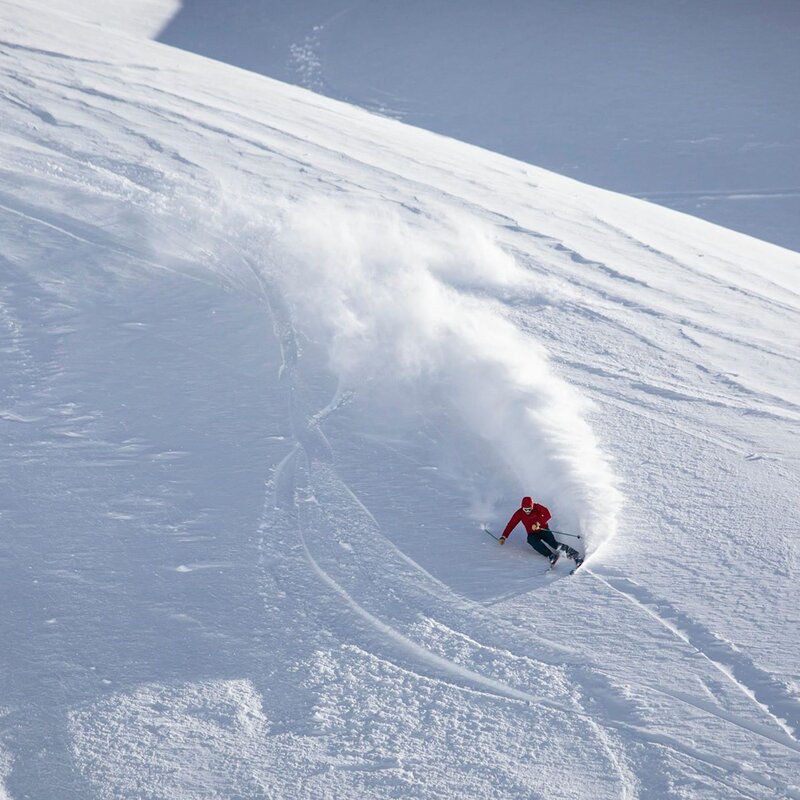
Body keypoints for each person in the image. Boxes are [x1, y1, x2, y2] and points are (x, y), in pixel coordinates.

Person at [498, 496, 582, 568]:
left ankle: (575, 555)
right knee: (531, 540)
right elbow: (511, 524)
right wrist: (504, 536)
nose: (527, 511)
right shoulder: (519, 513)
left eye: (529, 509)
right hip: (532, 533)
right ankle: (551, 556)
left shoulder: (537, 507)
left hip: (543, 530)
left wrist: (538, 523)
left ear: (532, 506)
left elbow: (548, 514)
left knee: (554, 544)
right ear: (522, 507)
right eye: (525, 509)